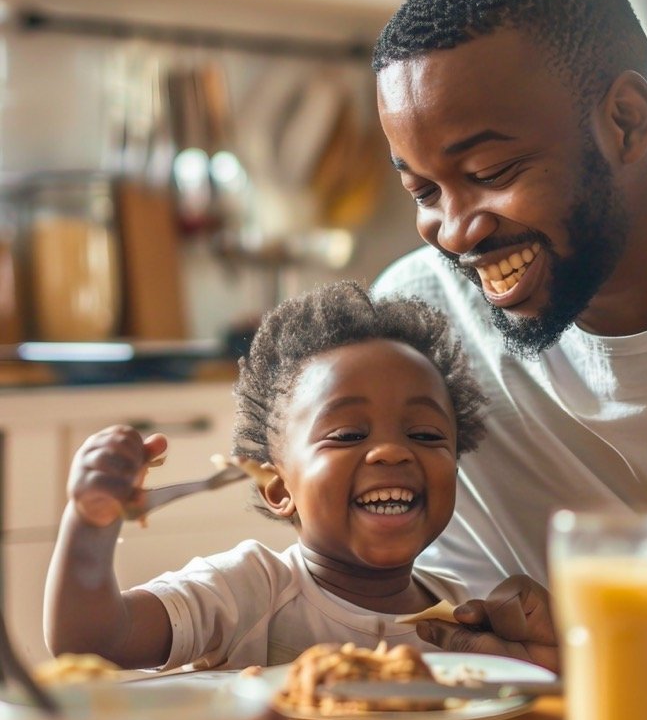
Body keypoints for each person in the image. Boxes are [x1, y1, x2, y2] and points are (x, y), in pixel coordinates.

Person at [371, 0, 647, 670]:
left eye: (491, 170)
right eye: (423, 191)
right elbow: (428, 610)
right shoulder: (421, 329)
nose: (456, 232)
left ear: (625, 119)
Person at [45, 281, 557, 672]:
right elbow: (94, 641)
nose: (390, 452)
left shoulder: (461, 612)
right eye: (348, 435)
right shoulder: (247, 590)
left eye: (425, 435)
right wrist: (90, 524)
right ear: (278, 487)